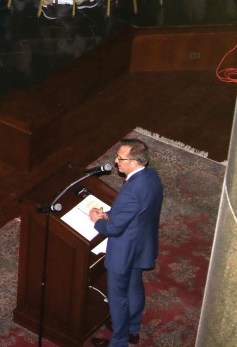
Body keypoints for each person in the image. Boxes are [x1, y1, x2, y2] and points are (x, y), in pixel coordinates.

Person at [89, 139, 164, 347]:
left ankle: (119, 342)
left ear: (134, 162)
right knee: (134, 287)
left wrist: (97, 221)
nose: (115, 162)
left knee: (118, 298)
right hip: (142, 245)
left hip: (125, 251)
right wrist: (110, 214)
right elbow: (137, 211)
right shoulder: (151, 177)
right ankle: (133, 330)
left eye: (120, 158)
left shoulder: (132, 189)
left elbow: (114, 229)